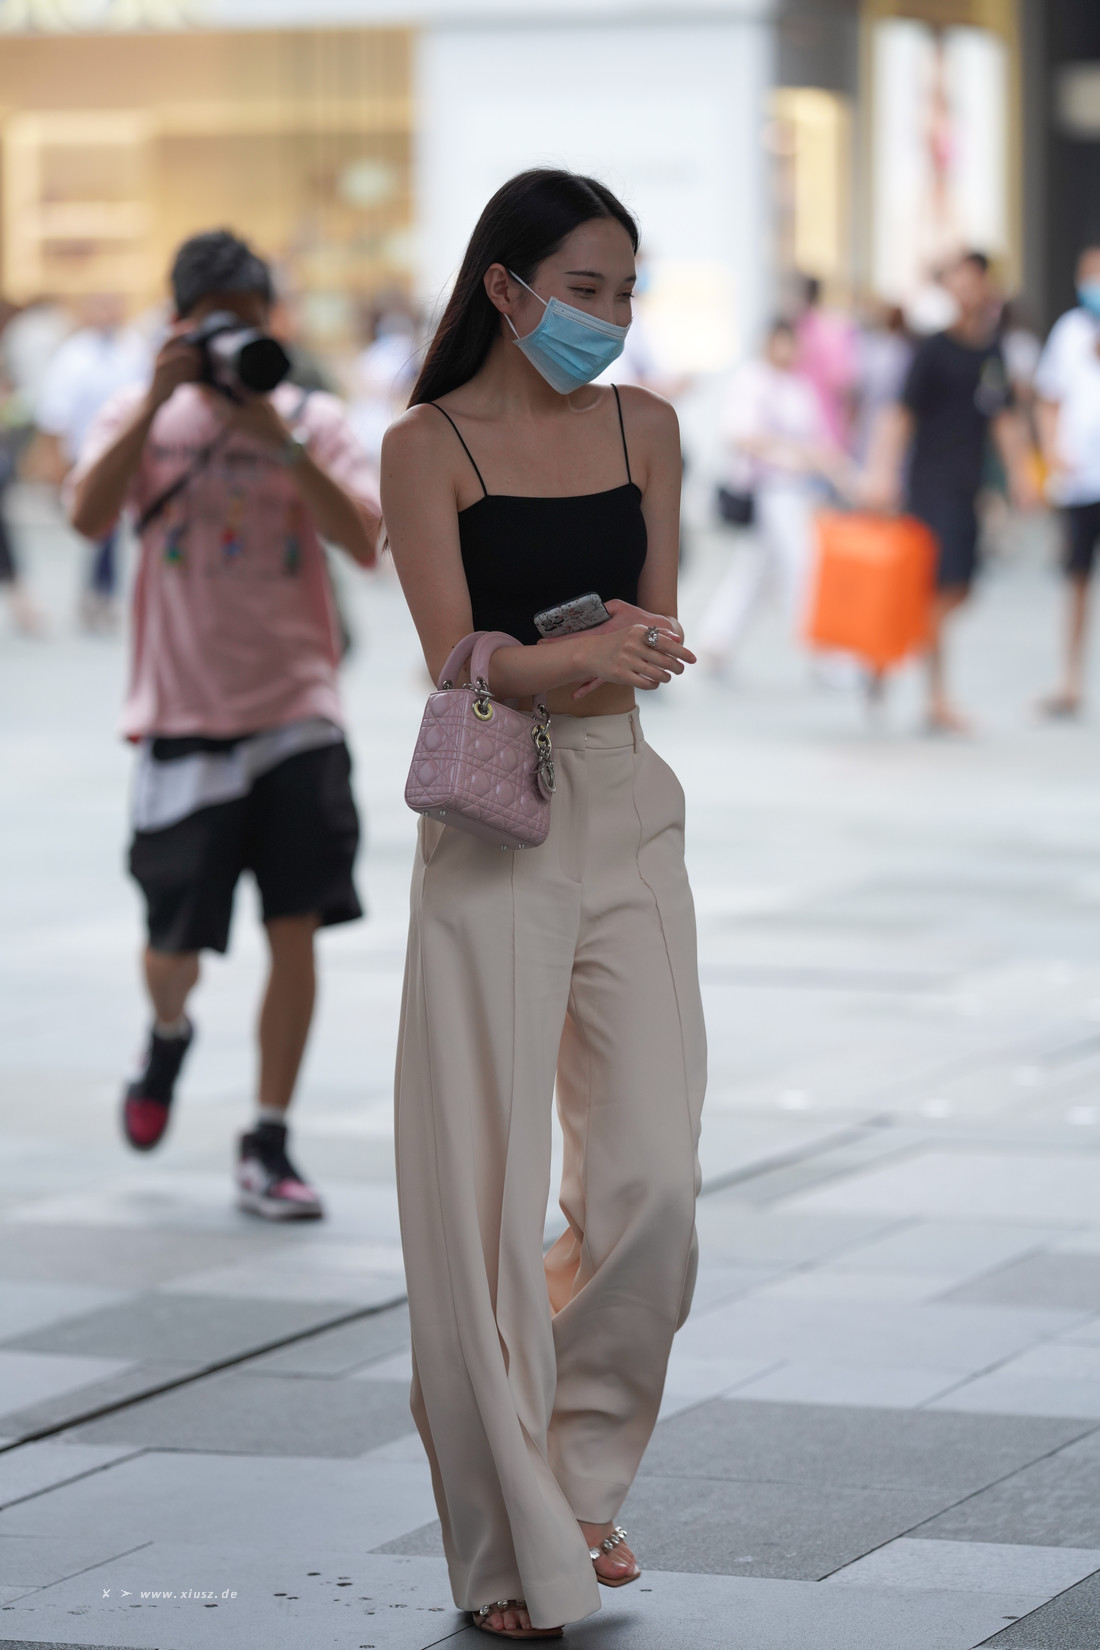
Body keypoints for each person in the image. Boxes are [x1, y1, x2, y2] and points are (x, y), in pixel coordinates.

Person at [381, 169, 706, 1639]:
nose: (611, 317)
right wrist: (582, 652)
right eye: (584, 290)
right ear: (505, 290)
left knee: (653, 1178)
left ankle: (578, 1476)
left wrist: (626, 645)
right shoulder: (425, 444)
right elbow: (458, 660)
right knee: (477, 1201)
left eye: (625, 290)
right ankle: (509, 1543)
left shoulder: (648, 429)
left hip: (626, 804)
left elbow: (655, 618)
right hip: (497, 820)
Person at [66, 230, 380, 1219]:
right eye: (218, 328)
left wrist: (276, 434)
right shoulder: (140, 412)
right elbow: (86, 518)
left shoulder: (311, 418)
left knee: (297, 930)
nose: (238, 343)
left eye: (252, 324)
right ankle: (167, 1034)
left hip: (298, 712)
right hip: (184, 713)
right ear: (179, 327)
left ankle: (268, 1139)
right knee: (173, 948)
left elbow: (365, 538)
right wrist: (157, 401)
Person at [864, 251, 1035, 733]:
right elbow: (900, 414)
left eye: (971, 281)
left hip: (968, 486)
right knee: (938, 586)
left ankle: (884, 653)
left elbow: (1002, 417)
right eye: (955, 282)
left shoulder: (993, 350)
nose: (963, 290)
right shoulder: (932, 348)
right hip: (929, 485)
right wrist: (882, 473)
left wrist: (1021, 474)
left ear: (986, 287)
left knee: (959, 589)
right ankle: (935, 699)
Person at [699, 318, 846, 675]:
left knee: (754, 572)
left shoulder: (798, 386)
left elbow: (817, 444)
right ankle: (825, 656)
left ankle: (717, 642)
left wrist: (843, 476)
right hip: (768, 489)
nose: (787, 350)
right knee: (803, 567)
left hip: (796, 490)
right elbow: (740, 434)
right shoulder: (753, 379)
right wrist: (790, 450)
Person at [36, 293, 151, 630]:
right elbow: (56, 411)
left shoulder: (133, 348)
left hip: (125, 452)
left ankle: (100, 593)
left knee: (110, 528)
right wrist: (55, 462)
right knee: (100, 525)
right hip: (85, 453)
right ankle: (98, 593)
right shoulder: (75, 354)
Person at [1033, 240, 1100, 717]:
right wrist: (1053, 452)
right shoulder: (1070, 332)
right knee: (1076, 579)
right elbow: (1048, 397)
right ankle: (1070, 678)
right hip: (1080, 482)